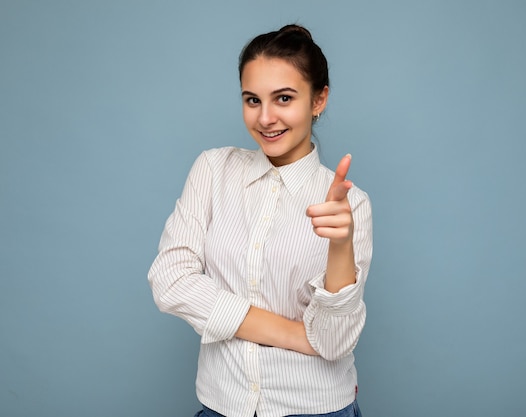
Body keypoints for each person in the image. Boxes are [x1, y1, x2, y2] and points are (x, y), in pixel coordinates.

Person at [148, 24, 373, 417]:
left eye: (283, 98)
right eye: (252, 100)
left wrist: (340, 245)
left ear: (318, 100)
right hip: (222, 404)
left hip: (316, 409)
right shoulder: (213, 169)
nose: (266, 118)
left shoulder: (352, 204)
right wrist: (293, 334)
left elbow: (334, 343)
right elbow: (170, 281)